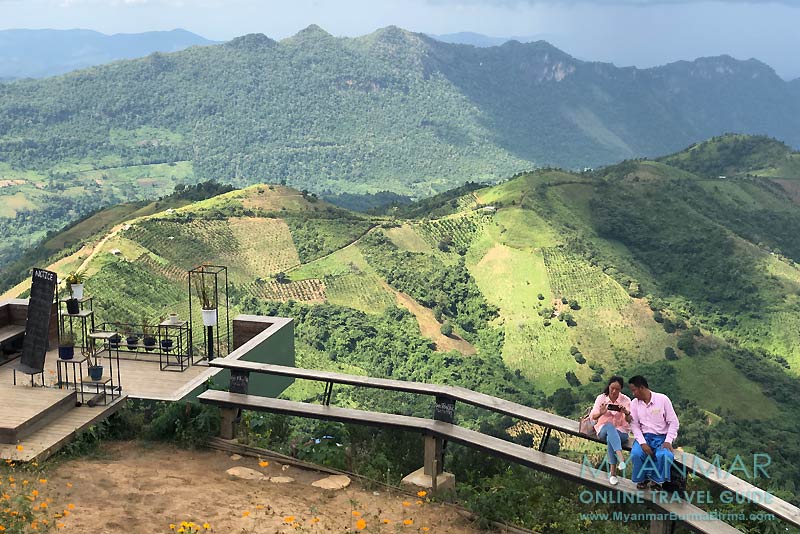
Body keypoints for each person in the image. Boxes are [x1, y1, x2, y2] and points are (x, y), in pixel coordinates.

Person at [627, 375, 679, 490]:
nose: (633, 394)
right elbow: (634, 425)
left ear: (641, 388)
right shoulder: (634, 403)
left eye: (634, 390)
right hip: (644, 436)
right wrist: (642, 443)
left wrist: (668, 440)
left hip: (661, 437)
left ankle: (656, 481)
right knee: (636, 454)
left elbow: (673, 422)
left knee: (664, 455)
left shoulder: (662, 400)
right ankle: (643, 479)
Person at [590, 375, 632, 486]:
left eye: (617, 389)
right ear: (608, 386)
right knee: (609, 427)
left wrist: (626, 413)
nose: (614, 391)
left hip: (621, 431)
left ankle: (613, 474)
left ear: (621, 389)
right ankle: (620, 458)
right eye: (612, 388)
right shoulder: (601, 398)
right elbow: (593, 417)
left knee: (611, 437)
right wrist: (601, 412)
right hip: (603, 429)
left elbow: (630, 420)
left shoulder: (626, 400)